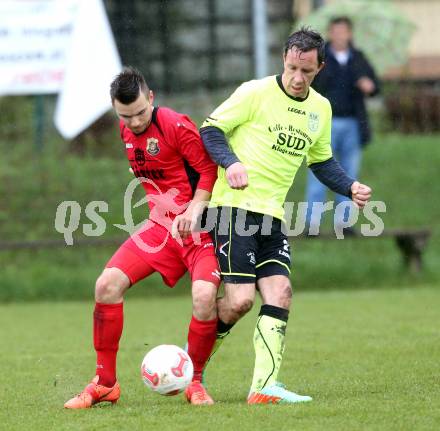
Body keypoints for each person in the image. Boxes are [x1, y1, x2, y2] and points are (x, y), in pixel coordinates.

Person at [199, 27, 372, 404]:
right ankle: (191, 367)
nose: (297, 78)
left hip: (272, 216)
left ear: (319, 67)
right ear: (284, 60)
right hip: (234, 209)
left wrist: (349, 187)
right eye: (293, 67)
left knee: (281, 292)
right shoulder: (254, 92)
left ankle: (264, 387)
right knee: (240, 300)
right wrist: (230, 163)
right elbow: (211, 130)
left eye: (306, 71)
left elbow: (322, 161)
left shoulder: (320, 108)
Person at [64, 67, 221, 408]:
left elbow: (209, 170)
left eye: (139, 113)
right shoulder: (124, 128)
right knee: (106, 285)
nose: (134, 122)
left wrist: (194, 210)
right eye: (126, 116)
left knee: (205, 298)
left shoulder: (176, 125)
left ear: (151, 98)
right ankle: (105, 383)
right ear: (115, 109)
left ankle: (194, 382)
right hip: (159, 228)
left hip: (198, 230)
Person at [305, 16, 379, 234]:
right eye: (335, 31)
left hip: (352, 123)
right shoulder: (320, 59)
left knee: (349, 173)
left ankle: (345, 223)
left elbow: (375, 86)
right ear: (330, 33)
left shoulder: (358, 59)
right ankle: (312, 223)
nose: (339, 36)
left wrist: (369, 86)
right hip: (324, 123)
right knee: (318, 170)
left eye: (343, 31)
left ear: (349, 34)